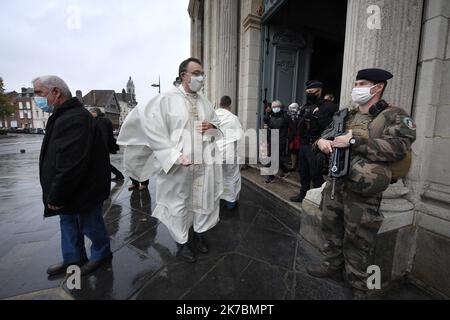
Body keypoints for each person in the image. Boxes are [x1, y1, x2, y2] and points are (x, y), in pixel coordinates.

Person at [306, 68, 417, 299]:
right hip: (336, 184)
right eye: (356, 84)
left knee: (359, 238)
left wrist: (353, 141)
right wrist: (322, 143)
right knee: (330, 228)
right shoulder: (347, 115)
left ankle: (358, 285)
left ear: (378, 87)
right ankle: (331, 264)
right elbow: (324, 136)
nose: (357, 88)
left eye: (362, 83)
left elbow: (398, 147)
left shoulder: (393, 115)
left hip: (363, 191)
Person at [117, 58, 223, 263]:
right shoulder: (166, 100)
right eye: (197, 73)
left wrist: (212, 126)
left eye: (202, 73)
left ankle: (199, 234)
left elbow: (218, 129)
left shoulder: (206, 103)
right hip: (178, 167)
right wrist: (173, 155)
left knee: (204, 201)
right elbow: (152, 129)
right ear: (184, 75)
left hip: (204, 165)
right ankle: (182, 243)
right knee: (179, 204)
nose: (201, 77)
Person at [33, 75, 112, 277]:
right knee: (68, 224)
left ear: (56, 92)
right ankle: (73, 259)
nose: (37, 98)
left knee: (90, 224)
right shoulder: (62, 115)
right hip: (70, 189)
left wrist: (57, 195)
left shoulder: (75, 118)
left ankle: (101, 255)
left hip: (82, 189)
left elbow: (71, 163)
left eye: (39, 93)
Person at [290, 80, 338, 203]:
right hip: (304, 143)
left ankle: (319, 197)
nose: (309, 94)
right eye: (307, 92)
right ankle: (303, 194)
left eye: (311, 92)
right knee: (303, 171)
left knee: (315, 172)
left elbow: (330, 126)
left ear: (319, 91)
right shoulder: (306, 106)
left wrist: (319, 115)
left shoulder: (328, 106)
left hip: (316, 144)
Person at [215, 95, 244, 210]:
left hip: (214, 153)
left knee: (216, 177)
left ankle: (217, 199)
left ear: (220, 103)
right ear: (229, 106)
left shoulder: (212, 116)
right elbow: (240, 136)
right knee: (231, 177)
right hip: (229, 153)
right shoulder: (233, 118)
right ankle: (230, 202)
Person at [89, 107, 125, 182]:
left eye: (91, 113)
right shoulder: (103, 119)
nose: (89, 114)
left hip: (101, 146)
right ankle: (117, 175)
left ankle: (118, 175)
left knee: (102, 163)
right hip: (105, 145)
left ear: (95, 113)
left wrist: (100, 145)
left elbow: (103, 134)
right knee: (103, 163)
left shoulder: (100, 121)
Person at [264, 100, 290, 183]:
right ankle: (286, 170)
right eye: (273, 107)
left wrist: (289, 138)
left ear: (280, 107)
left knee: (274, 158)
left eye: (276, 107)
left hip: (281, 140)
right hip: (272, 139)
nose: (275, 108)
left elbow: (292, 127)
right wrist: (267, 113)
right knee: (276, 158)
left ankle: (270, 177)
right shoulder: (271, 116)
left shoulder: (285, 116)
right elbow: (266, 123)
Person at [287, 102, 301, 172]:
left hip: (299, 136)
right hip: (292, 136)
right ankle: (293, 166)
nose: (292, 111)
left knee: (299, 151)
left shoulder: (301, 115)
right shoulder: (288, 116)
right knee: (293, 151)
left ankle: (300, 166)